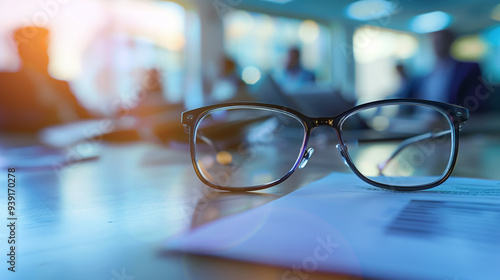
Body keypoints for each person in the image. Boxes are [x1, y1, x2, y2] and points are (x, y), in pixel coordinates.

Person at [0, 26, 92, 132]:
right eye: (40, 47)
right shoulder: (5, 82)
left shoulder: (61, 84)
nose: (46, 52)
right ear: (22, 50)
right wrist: (52, 117)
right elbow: (7, 119)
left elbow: (83, 115)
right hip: (27, 144)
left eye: (46, 46)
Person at [399, 29, 486, 112]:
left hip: (449, 122)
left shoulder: (468, 69)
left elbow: (475, 102)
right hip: (420, 121)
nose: (438, 44)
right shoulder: (425, 74)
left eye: (442, 40)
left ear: (451, 41)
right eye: (435, 40)